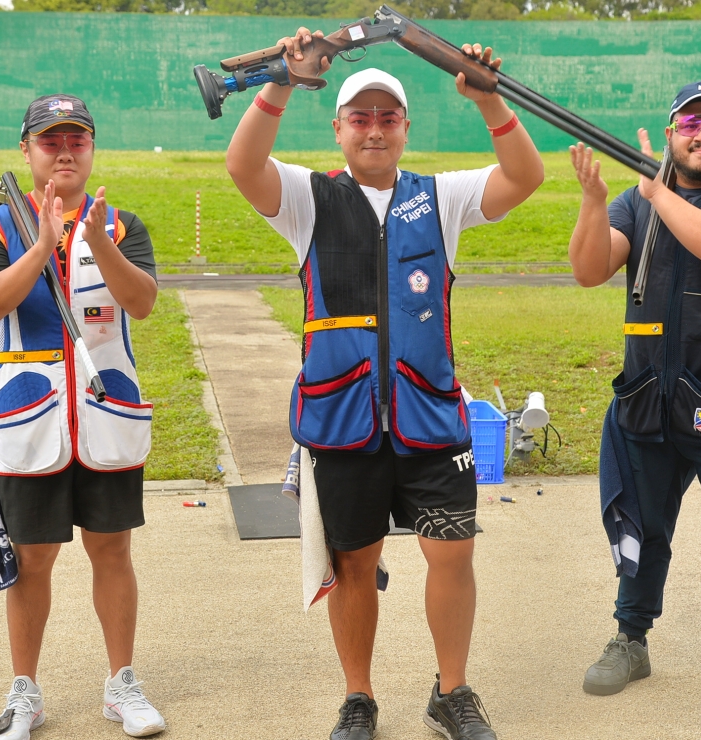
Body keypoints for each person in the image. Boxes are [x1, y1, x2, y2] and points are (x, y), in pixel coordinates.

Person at [226, 29, 543, 740]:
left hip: (428, 416)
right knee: (355, 563)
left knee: (452, 552)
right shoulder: (308, 198)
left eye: (387, 117)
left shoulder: (443, 198)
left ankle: (452, 692)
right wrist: (283, 77)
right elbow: (243, 165)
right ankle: (359, 697)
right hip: (342, 419)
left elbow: (524, 178)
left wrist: (491, 103)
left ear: (405, 127)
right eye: (360, 118)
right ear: (337, 128)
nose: (374, 129)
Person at [567, 81, 701, 724]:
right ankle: (631, 639)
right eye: (689, 123)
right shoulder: (635, 207)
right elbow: (587, 269)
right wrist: (594, 201)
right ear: (670, 134)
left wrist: (658, 192)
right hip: (646, 404)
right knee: (643, 531)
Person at [0, 94, 164, 740]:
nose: (65, 151)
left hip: (105, 418)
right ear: (26, 151)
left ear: (92, 148)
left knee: (113, 552)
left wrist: (96, 243)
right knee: (33, 560)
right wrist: (42, 244)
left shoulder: (121, 223)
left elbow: (143, 300)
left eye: (77, 139)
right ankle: (25, 693)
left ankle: (121, 685)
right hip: (31, 422)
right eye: (51, 141)